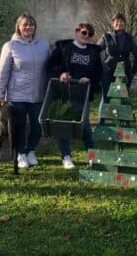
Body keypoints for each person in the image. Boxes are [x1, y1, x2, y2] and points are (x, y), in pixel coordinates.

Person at [0, 13, 51, 169]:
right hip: (16, 95)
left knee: (38, 126)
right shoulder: (10, 46)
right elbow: (3, 72)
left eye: (31, 25)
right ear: (18, 27)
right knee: (19, 127)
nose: (28, 27)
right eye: (25, 24)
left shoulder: (44, 45)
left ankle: (31, 151)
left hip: (38, 94)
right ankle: (21, 154)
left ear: (35, 27)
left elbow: (50, 68)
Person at [48, 23, 103, 169]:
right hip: (64, 92)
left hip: (83, 94)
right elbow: (51, 65)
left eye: (89, 34)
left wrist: (90, 79)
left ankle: (92, 155)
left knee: (84, 125)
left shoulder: (93, 52)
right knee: (63, 123)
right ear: (77, 32)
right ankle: (66, 157)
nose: (86, 36)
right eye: (84, 33)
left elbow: (98, 73)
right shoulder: (64, 48)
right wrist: (61, 73)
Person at [97, 13, 137, 100]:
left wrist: (133, 71)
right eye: (117, 21)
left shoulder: (129, 38)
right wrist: (99, 67)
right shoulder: (106, 37)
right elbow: (96, 51)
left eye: (121, 21)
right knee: (107, 99)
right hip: (108, 73)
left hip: (124, 73)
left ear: (124, 24)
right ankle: (105, 113)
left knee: (121, 100)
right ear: (112, 23)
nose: (119, 23)